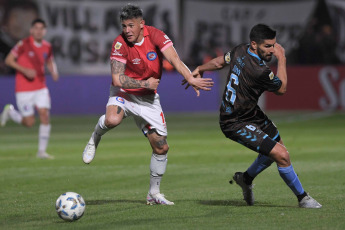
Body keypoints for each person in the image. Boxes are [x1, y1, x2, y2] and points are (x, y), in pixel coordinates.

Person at [82, 4, 214, 205]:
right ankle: (95, 137)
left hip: (148, 100)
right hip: (124, 94)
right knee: (112, 119)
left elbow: (176, 60)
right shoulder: (119, 43)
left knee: (161, 147)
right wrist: (145, 83)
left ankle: (153, 193)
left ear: (141, 24)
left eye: (131, 25)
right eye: (124, 26)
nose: (127, 31)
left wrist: (191, 78)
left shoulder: (156, 36)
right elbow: (117, 79)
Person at [190, 24, 322, 208]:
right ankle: (303, 199)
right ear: (254, 44)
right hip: (234, 122)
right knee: (281, 155)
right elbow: (282, 89)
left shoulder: (239, 50)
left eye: (274, 45)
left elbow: (220, 62)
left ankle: (246, 178)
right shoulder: (260, 70)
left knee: (276, 152)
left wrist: (201, 67)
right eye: (268, 46)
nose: (272, 50)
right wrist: (282, 59)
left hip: (252, 114)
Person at [0, 18, 59, 159]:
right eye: (36, 28)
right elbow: (8, 60)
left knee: (44, 114)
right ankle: (10, 112)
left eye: (41, 29)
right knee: (29, 123)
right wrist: (24, 70)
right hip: (23, 89)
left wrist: (54, 71)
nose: (38, 31)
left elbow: (50, 60)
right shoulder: (23, 44)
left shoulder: (47, 46)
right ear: (31, 30)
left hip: (40, 87)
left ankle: (41, 152)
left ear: (44, 31)